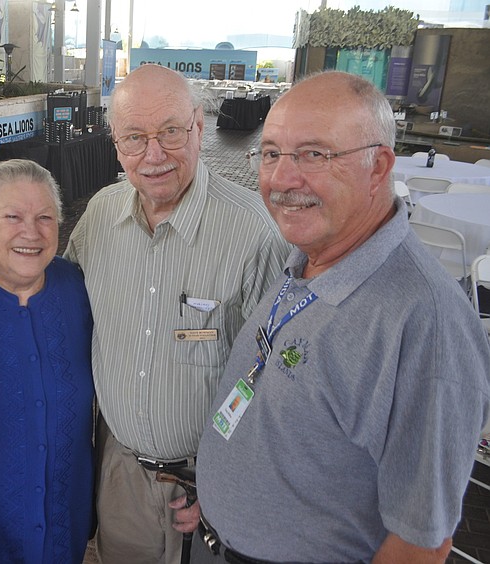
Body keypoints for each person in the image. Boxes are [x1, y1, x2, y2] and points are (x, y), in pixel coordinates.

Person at [191, 71, 490, 563]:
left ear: (379, 168)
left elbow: (420, 543)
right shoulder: (308, 256)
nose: (283, 179)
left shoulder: (426, 326)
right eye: (271, 153)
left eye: (315, 154)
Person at [63, 64, 290, 563]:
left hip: (209, 482)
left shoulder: (253, 233)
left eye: (170, 131)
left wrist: (229, 479)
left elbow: (277, 378)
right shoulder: (99, 217)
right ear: (116, 146)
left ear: (199, 126)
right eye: (134, 138)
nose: (154, 155)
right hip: (121, 475)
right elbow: (62, 312)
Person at [0, 159, 94, 563]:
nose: (31, 232)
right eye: (12, 216)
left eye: (45, 217)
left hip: (64, 531)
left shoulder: (80, 289)